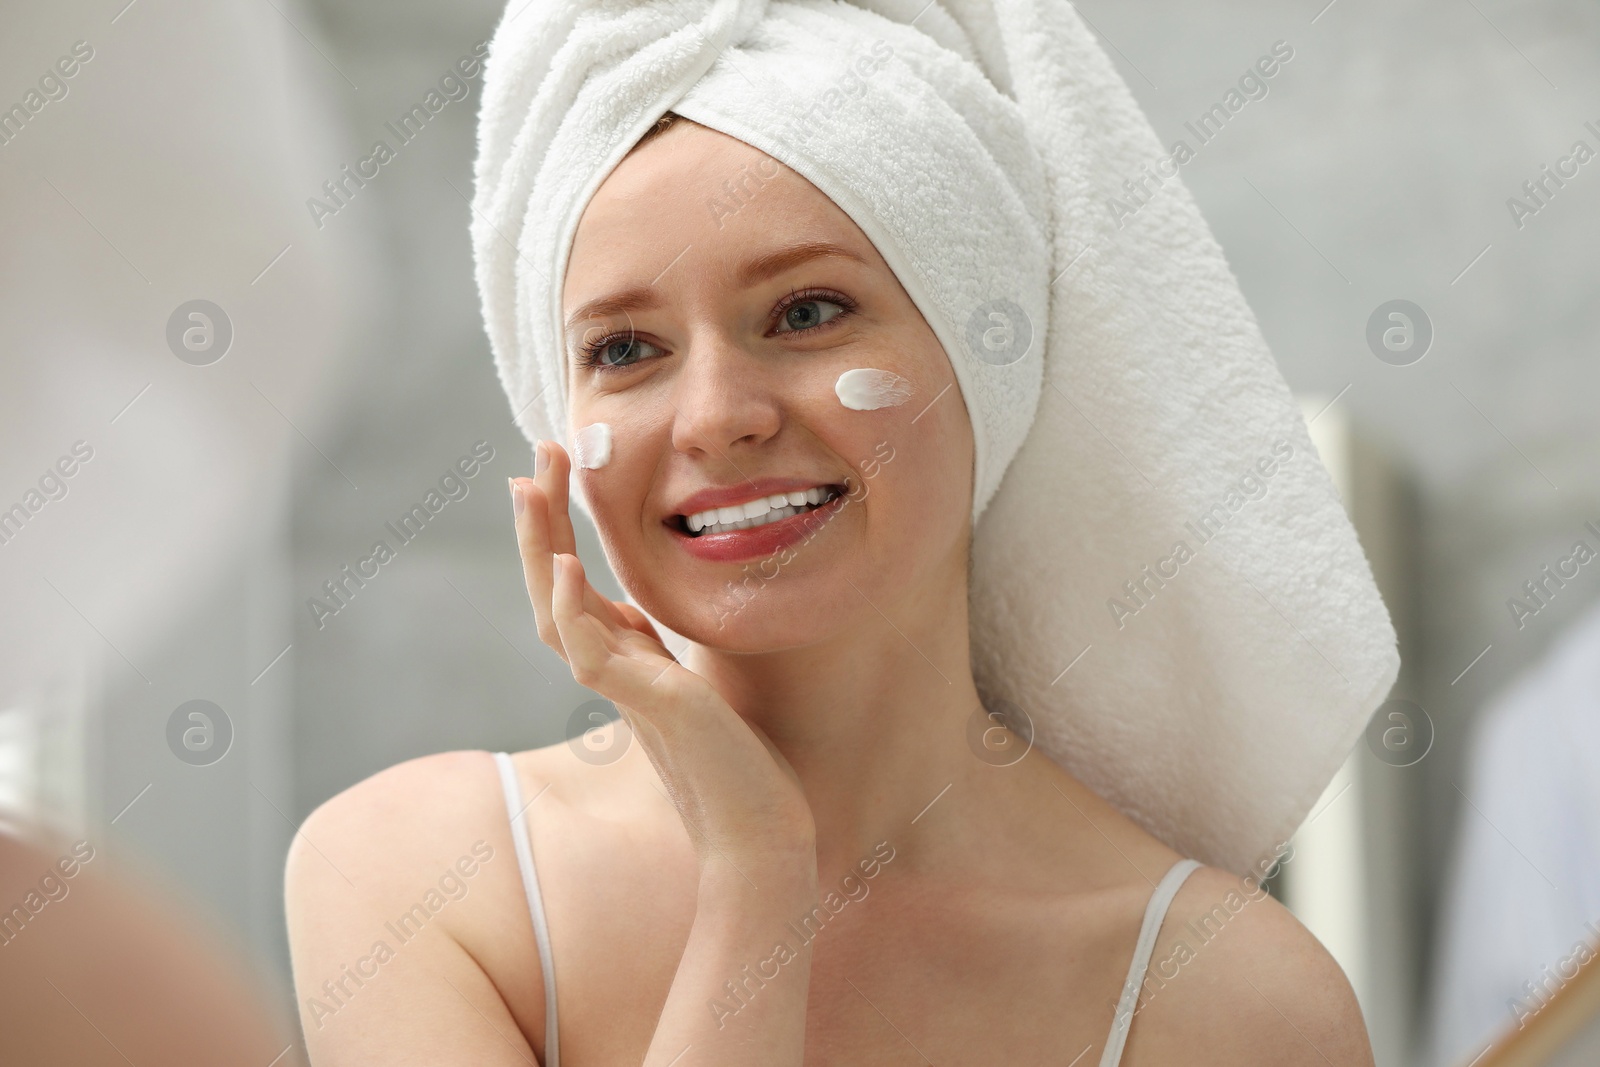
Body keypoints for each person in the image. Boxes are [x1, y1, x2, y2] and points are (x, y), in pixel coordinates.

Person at [284, 101, 1375, 1064]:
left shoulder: (1232, 1001)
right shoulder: (422, 877)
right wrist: (756, 873)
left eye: (805, 312)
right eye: (624, 348)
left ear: (985, 357)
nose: (716, 416)